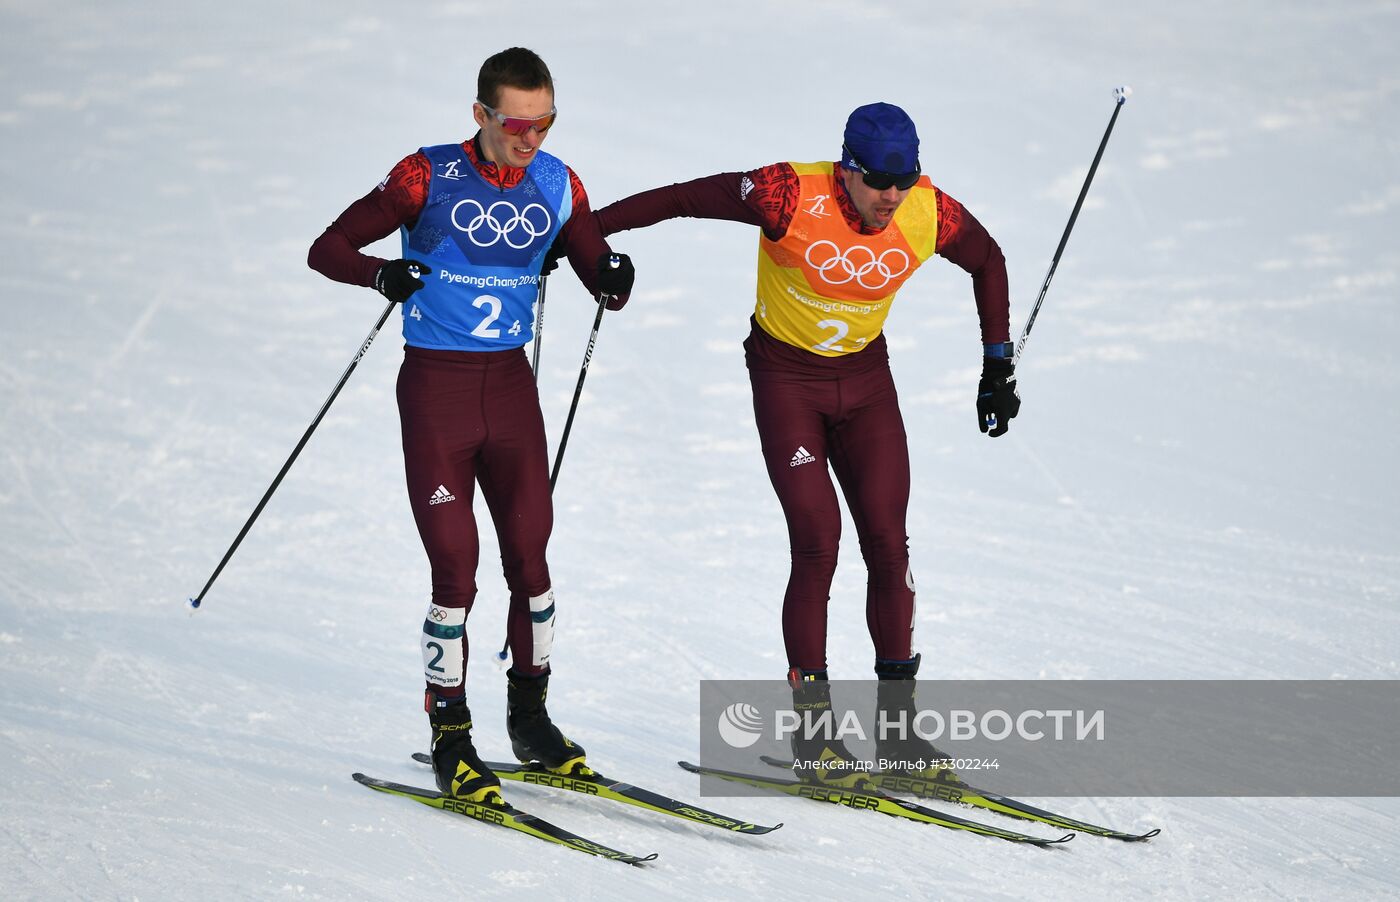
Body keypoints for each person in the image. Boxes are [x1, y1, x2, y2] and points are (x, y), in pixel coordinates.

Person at [595, 102, 1018, 786]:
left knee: (888, 538)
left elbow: (988, 260)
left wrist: (997, 365)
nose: (891, 196)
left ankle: (898, 732)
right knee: (819, 539)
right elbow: (679, 199)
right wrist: (585, 236)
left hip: (866, 383)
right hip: (788, 380)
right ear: (847, 169)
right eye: (879, 180)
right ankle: (814, 735)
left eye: (903, 180)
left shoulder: (926, 209)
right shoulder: (786, 193)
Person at [307, 47, 634, 803]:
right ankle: (451, 733)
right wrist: (380, 274)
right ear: (481, 114)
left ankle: (531, 719)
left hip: (510, 391)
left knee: (532, 559)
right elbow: (327, 248)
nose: (531, 140)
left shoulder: (557, 182)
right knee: (456, 570)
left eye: (545, 123)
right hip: (437, 391)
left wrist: (611, 275)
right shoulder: (424, 176)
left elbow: (597, 272)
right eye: (517, 124)